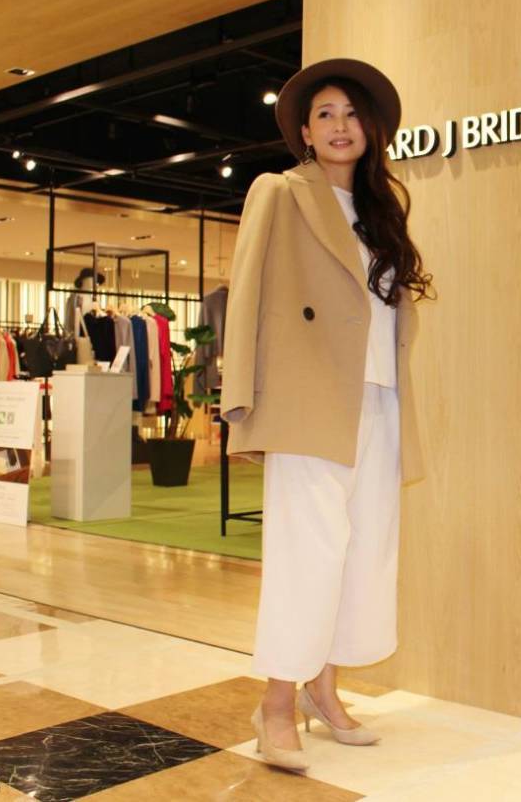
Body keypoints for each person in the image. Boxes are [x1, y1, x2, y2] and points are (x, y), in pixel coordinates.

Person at [220, 58, 432, 773]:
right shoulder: (280, 192)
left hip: (380, 400)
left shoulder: (381, 212)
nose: (340, 126)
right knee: (307, 553)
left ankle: (324, 689)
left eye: (351, 114)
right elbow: (247, 293)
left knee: (363, 552)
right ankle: (276, 705)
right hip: (309, 399)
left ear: (370, 129)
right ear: (306, 133)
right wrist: (242, 399)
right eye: (325, 115)